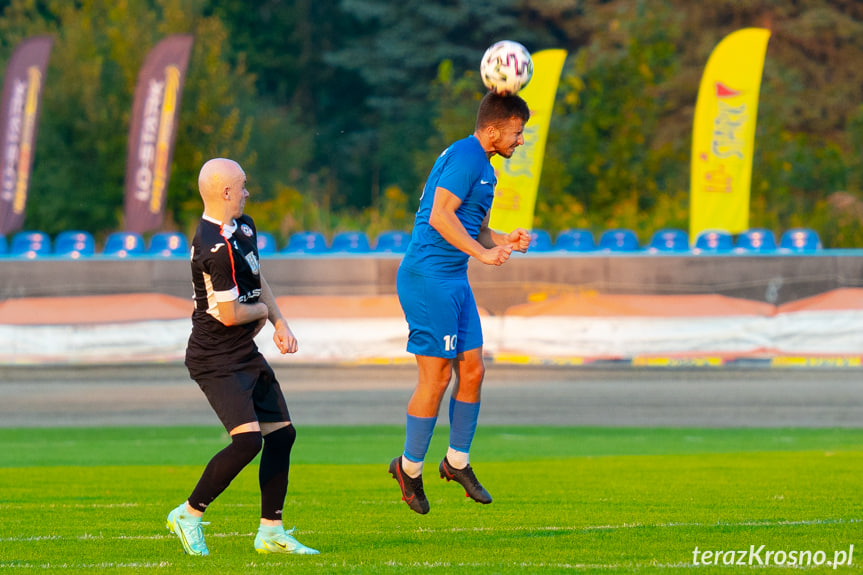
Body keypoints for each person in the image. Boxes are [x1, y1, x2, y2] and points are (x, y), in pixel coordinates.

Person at [165, 158, 318, 556]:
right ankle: (188, 513)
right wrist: (265, 315)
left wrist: (280, 322)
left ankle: (271, 532)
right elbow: (232, 314)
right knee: (248, 441)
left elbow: (256, 276)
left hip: (242, 351)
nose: (248, 191)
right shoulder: (211, 246)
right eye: (243, 186)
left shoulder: (244, 227)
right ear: (226, 192)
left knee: (282, 435)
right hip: (214, 357)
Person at [389, 92, 531, 514]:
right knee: (435, 379)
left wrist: (503, 241)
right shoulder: (469, 157)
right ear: (492, 130)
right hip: (428, 278)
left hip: (453, 279)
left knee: (473, 370)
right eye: (517, 132)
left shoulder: (483, 166)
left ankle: (456, 462)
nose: (520, 141)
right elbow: (439, 216)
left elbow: (473, 227)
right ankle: (409, 469)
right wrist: (483, 254)